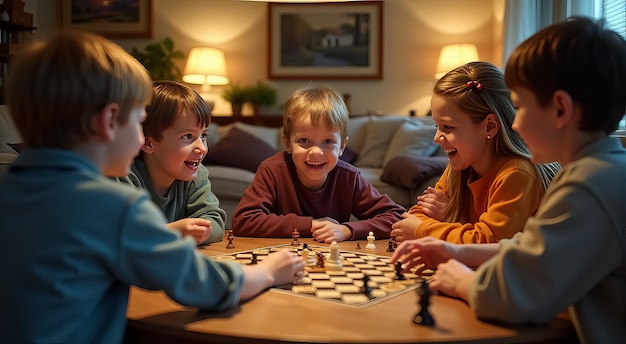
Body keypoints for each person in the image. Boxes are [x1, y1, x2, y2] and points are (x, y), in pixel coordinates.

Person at [0, 30, 305, 344]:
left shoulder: (12, 187)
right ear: (110, 121)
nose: (141, 137)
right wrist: (268, 271)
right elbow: (201, 283)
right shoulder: (112, 205)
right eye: (139, 120)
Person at [391, 17, 626, 344]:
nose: (513, 125)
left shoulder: (590, 185)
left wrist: (461, 281)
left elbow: (513, 296)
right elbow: (528, 249)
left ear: (560, 109)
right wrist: (453, 250)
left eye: (519, 108)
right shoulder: (597, 171)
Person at [390, 61, 560, 243]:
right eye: (436, 126)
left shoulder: (517, 173)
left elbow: (489, 241)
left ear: (489, 126)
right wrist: (448, 227)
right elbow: (415, 216)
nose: (437, 137)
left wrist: (434, 226)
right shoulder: (459, 168)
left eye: (448, 127)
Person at [232, 85, 405, 243]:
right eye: (304, 140)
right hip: (281, 259)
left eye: (328, 141)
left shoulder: (349, 177)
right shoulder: (272, 171)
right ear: (287, 143)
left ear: (342, 146)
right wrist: (311, 224)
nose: (316, 152)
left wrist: (347, 230)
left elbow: (396, 217)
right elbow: (243, 220)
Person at [117, 80, 226, 245]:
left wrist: (193, 232)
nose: (202, 148)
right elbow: (121, 232)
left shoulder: (196, 175)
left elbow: (215, 221)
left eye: (203, 135)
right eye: (187, 136)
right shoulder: (125, 177)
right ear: (148, 143)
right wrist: (173, 232)